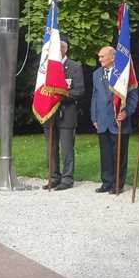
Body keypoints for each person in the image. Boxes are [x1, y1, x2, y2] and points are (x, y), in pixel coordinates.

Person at [91, 44, 138, 193]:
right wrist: (94, 117)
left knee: (119, 155)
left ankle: (118, 184)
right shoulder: (96, 74)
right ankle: (106, 182)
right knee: (105, 154)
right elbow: (95, 96)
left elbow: (133, 95)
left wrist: (127, 112)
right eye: (99, 56)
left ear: (112, 57)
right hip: (102, 121)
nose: (99, 59)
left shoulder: (124, 73)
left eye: (102, 56)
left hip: (119, 120)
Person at [47, 36, 86, 190]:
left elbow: (79, 90)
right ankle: (54, 177)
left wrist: (61, 95)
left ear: (64, 49)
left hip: (67, 113)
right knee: (51, 148)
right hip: (50, 113)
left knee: (66, 148)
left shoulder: (74, 67)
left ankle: (67, 178)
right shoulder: (46, 67)